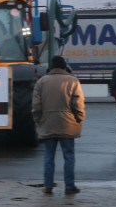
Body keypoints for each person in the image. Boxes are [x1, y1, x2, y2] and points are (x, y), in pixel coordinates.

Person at [32, 56, 85, 195]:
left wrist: (38, 119)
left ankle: (48, 186)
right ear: (64, 67)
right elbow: (77, 103)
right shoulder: (72, 81)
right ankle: (69, 186)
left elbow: (36, 105)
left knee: (49, 156)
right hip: (68, 124)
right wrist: (80, 118)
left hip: (48, 123)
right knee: (68, 156)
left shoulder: (41, 82)